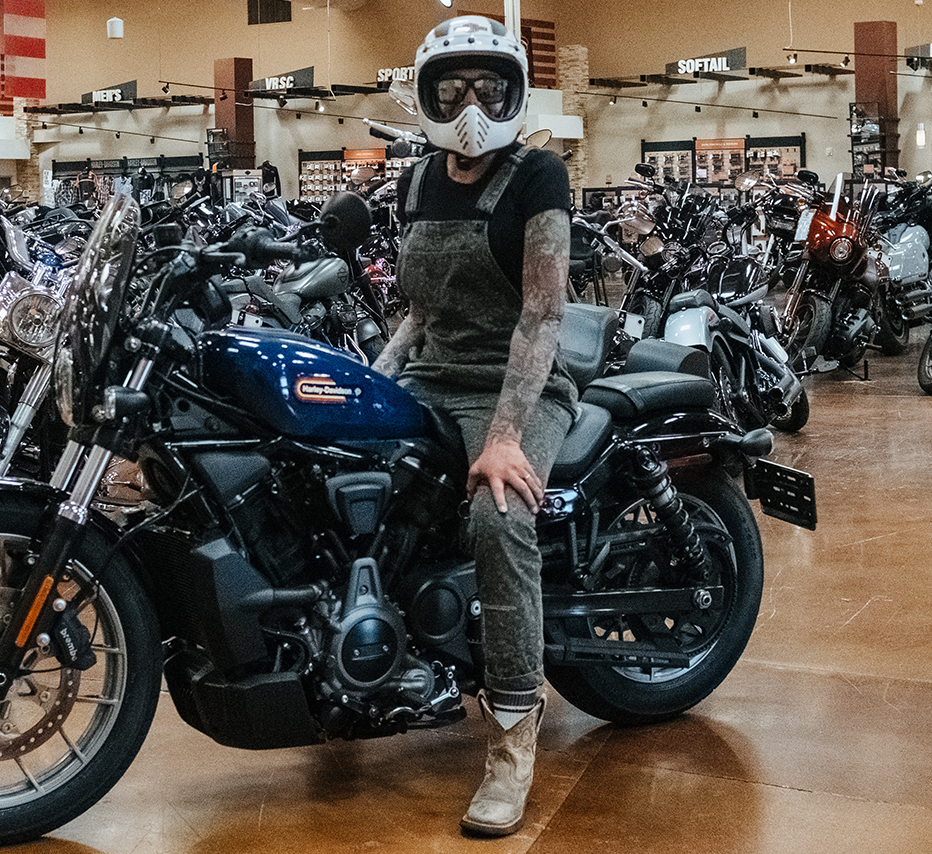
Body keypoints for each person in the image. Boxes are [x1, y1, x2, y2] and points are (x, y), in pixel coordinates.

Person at [370, 15, 577, 838]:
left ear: (513, 87)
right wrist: (369, 383)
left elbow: (543, 311)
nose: (469, 102)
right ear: (425, 92)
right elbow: (417, 315)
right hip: (429, 380)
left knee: (498, 516)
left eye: (487, 84)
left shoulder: (538, 177)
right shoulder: (416, 182)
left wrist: (501, 437)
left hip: (521, 389)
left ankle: (513, 737)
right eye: (451, 85)